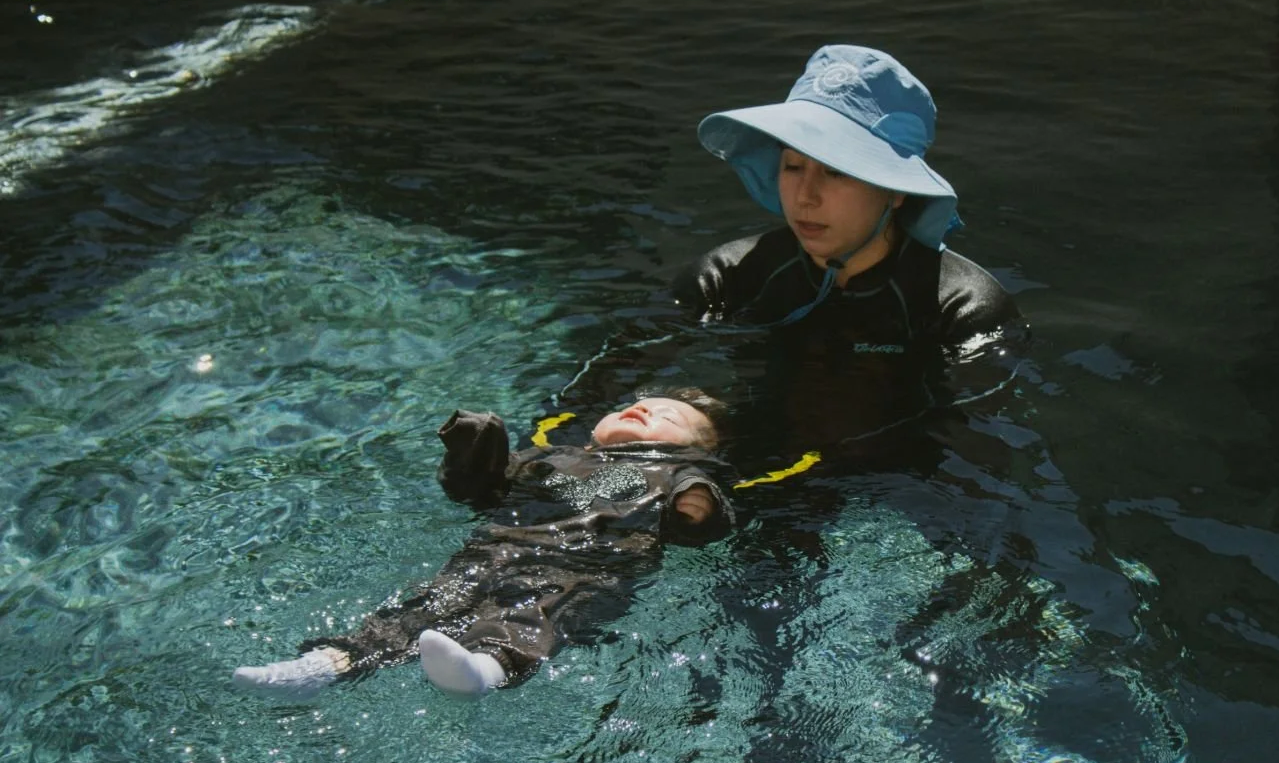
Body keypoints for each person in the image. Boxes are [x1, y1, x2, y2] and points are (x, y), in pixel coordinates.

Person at [230, 388, 734, 700]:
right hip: (496, 549)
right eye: (636, 404)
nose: (644, 408)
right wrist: (474, 449)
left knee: (535, 615)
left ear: (692, 448)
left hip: (588, 566)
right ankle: (327, 664)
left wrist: (698, 505)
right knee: (428, 603)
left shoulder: (673, 472)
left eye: (668, 416)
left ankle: (484, 671)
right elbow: (476, 493)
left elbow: (709, 526)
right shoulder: (549, 457)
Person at [673, 43, 1028, 357]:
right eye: (793, 166)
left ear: (896, 188)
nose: (805, 197)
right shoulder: (723, 278)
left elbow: (977, 427)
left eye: (836, 171)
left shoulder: (964, 308)